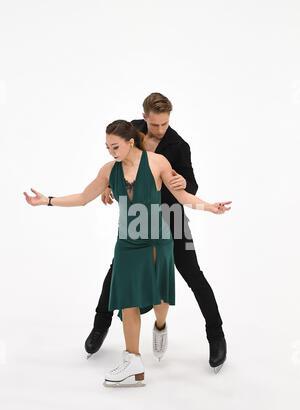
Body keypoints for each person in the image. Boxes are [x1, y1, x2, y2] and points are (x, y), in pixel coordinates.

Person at [23, 119, 231, 386]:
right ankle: (133, 362)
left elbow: (182, 197)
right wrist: (47, 201)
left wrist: (209, 207)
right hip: (128, 244)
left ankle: (160, 325)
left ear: (130, 142)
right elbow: (83, 198)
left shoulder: (157, 163)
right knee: (127, 301)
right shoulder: (109, 171)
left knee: (159, 297)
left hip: (158, 240)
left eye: (115, 146)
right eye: (107, 147)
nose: (111, 152)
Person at [86, 92, 230, 373]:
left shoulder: (178, 145)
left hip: (171, 217)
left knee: (193, 274)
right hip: (138, 221)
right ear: (144, 119)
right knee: (116, 271)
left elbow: (192, 189)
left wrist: (183, 180)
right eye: (155, 125)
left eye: (165, 124)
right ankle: (99, 326)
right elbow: (116, 167)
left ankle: (216, 336)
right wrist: (105, 186)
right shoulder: (131, 132)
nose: (160, 130)